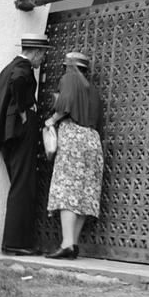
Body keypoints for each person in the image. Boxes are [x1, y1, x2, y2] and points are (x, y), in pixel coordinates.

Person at [0, 33, 50, 256]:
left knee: (19, 184)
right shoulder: (22, 67)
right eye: (43, 54)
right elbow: (18, 81)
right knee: (23, 185)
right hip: (20, 132)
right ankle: (16, 243)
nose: (43, 59)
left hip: (9, 134)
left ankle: (15, 242)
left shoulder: (8, 68)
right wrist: (24, 111)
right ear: (36, 52)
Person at [44, 52, 104, 259]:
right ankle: (73, 243)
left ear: (69, 66)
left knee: (67, 189)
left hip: (73, 137)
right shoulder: (93, 90)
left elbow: (65, 105)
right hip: (93, 140)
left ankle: (67, 243)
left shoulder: (69, 78)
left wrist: (52, 120)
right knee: (85, 192)